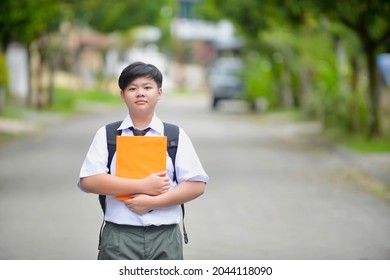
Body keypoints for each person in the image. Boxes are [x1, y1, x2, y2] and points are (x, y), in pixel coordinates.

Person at [77, 61, 209, 260]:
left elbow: (196, 184)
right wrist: (143, 185)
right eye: (132, 88)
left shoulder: (174, 135)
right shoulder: (107, 135)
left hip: (165, 236)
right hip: (119, 237)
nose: (140, 93)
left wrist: (152, 202)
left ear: (159, 93)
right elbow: (89, 181)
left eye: (147, 87)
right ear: (122, 95)